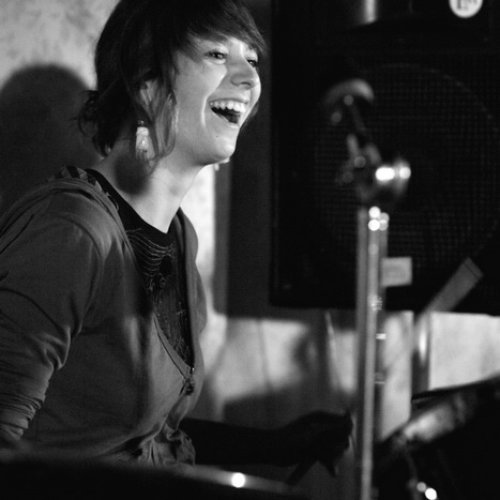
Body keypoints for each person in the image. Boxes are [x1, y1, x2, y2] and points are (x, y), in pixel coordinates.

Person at [0, 0, 352, 481]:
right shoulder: (73, 233)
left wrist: (277, 445)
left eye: (251, 58)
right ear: (146, 81)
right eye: (216, 54)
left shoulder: (179, 235)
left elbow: (152, 442)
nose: (249, 78)